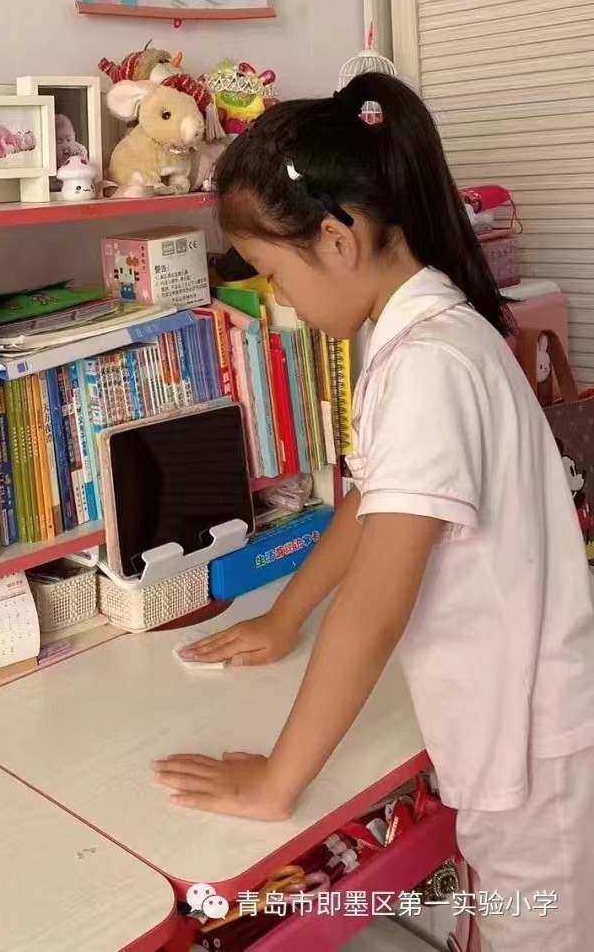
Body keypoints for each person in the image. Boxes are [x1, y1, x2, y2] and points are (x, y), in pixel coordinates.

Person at [154, 72, 594, 951]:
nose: (280, 302)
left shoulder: (427, 362)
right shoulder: (432, 332)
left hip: (532, 748)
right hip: (525, 721)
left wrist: (278, 778)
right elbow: (372, 498)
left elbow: (375, 606)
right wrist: (285, 616)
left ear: (338, 238)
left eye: (275, 275)